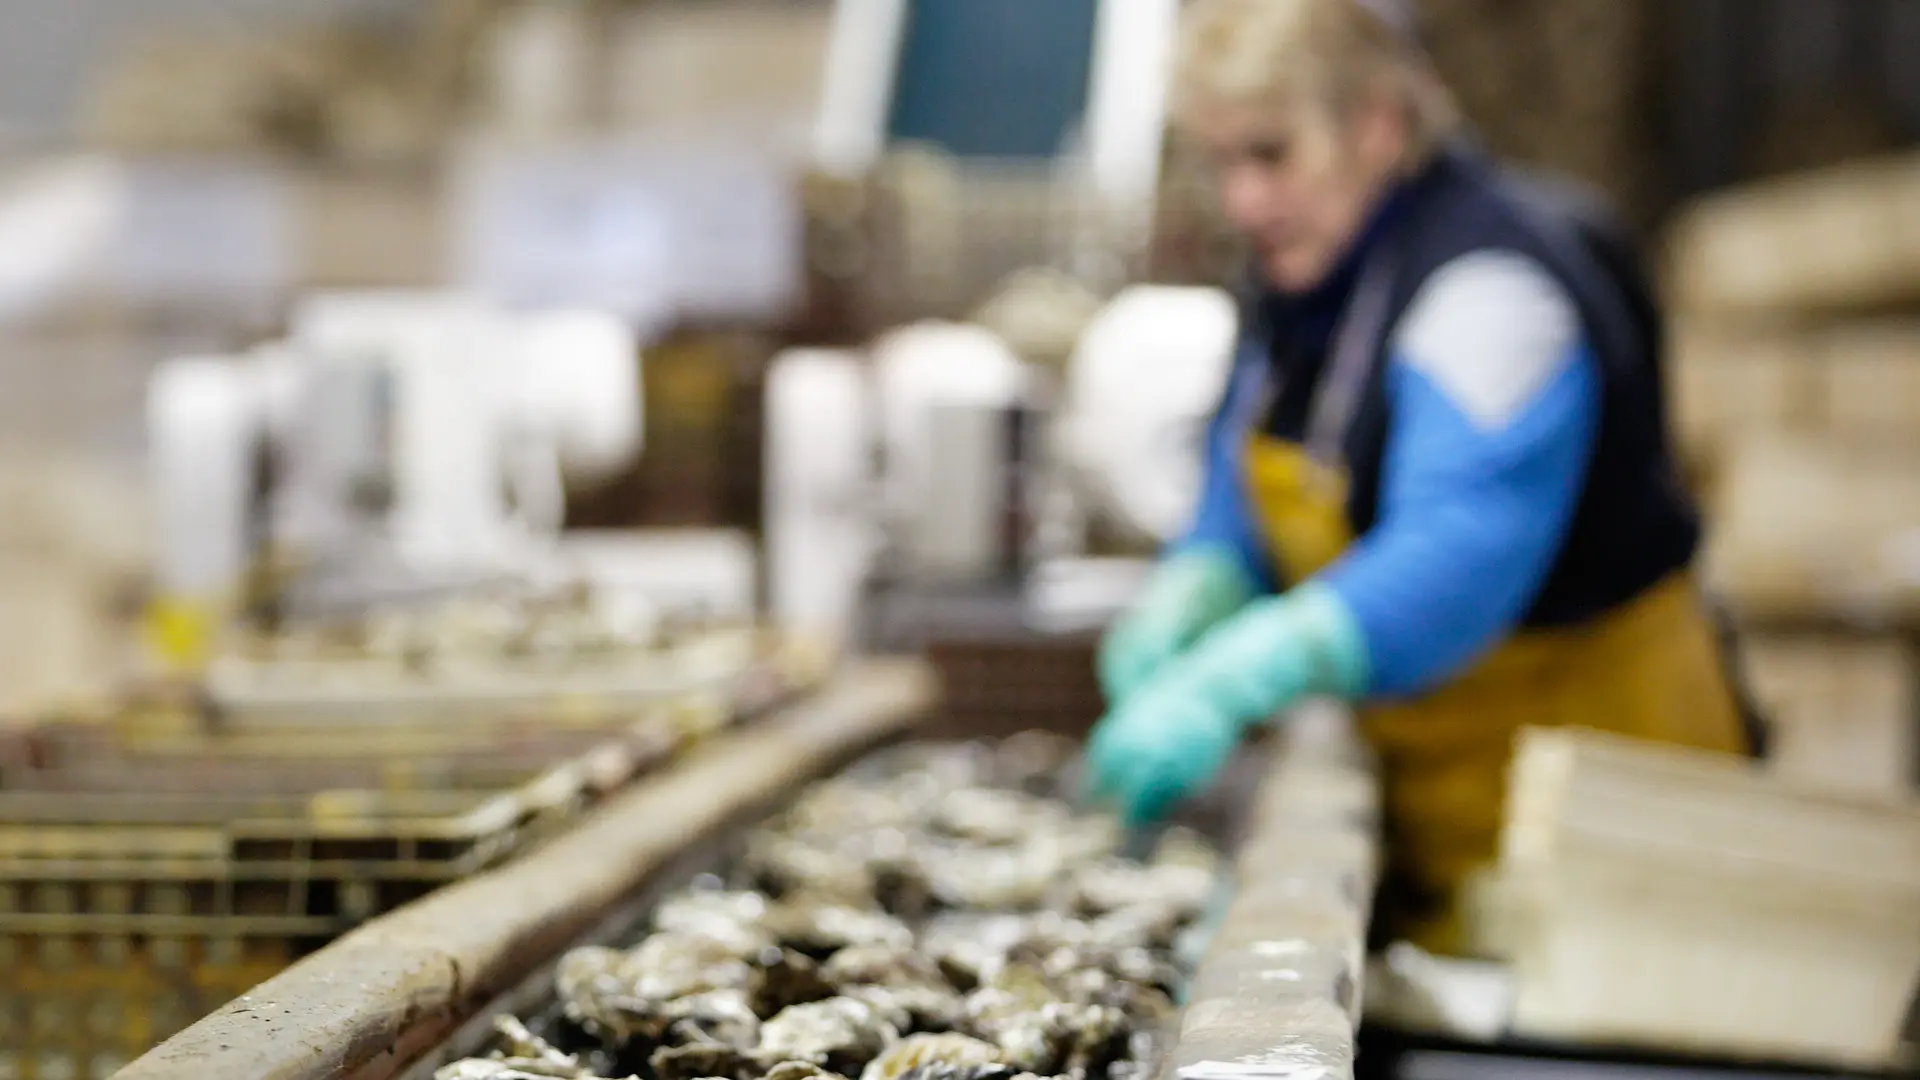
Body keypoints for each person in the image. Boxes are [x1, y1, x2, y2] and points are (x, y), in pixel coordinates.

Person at [1085, 0, 1759, 953]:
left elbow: (1457, 562)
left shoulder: (1495, 293)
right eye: (1221, 162)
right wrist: (1198, 581)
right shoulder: (1303, 281)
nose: (1242, 201)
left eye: (1270, 155)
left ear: (1376, 125)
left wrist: (1247, 669)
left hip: (1616, 813)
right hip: (1452, 803)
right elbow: (1239, 476)